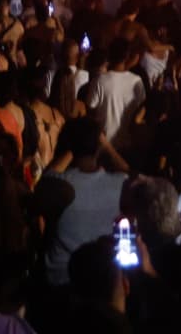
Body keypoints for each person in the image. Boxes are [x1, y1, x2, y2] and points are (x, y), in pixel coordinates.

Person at [40, 117, 126, 286]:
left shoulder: (58, 184)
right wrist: (105, 145)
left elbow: (45, 180)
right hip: (103, 279)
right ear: (99, 147)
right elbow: (133, 173)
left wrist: (73, 146)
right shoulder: (121, 183)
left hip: (61, 279)